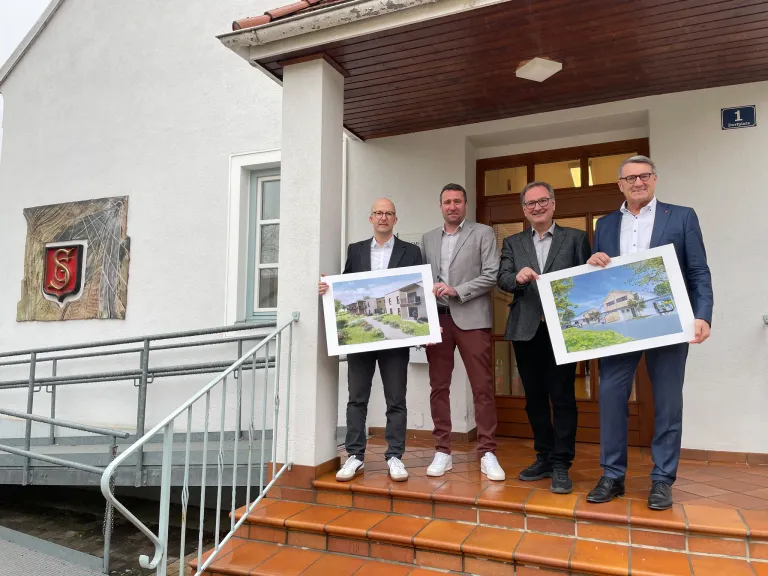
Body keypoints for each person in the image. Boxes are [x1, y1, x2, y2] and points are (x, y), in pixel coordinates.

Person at [586, 155, 713, 510]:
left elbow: (699, 271)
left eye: (644, 176)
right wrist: (593, 262)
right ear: (620, 185)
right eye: (630, 178)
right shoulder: (605, 224)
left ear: (655, 179)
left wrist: (703, 315)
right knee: (611, 398)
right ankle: (612, 475)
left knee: (668, 402)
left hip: (670, 323)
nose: (638, 182)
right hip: (621, 326)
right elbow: (603, 276)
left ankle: (662, 480)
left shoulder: (682, 216)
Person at [319, 198, 422, 482]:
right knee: (357, 398)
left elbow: (418, 289)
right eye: (378, 213)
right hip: (360, 338)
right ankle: (355, 455)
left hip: (396, 339)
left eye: (389, 213)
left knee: (396, 399)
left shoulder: (411, 252)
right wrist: (330, 286)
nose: (383, 217)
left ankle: (395, 456)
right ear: (371, 218)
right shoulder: (356, 250)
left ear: (395, 219)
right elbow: (347, 286)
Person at [497, 182, 591, 494]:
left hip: (562, 330)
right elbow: (503, 280)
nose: (537, 207)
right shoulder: (512, 242)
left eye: (542, 201)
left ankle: (562, 463)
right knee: (534, 398)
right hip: (526, 331)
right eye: (530, 204)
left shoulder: (575, 238)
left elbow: (586, 280)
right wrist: (517, 278)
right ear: (524, 209)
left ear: (553, 204)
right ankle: (544, 456)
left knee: (563, 397)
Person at [421, 183, 505, 481]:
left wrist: (457, 290)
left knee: (482, 387)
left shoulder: (482, 233)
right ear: (441, 206)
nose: (452, 206)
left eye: (457, 201)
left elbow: (491, 275)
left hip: (472, 318)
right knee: (438, 387)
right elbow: (420, 280)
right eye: (447, 202)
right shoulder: (428, 239)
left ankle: (487, 452)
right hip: (438, 321)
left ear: (465, 205)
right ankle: (443, 450)